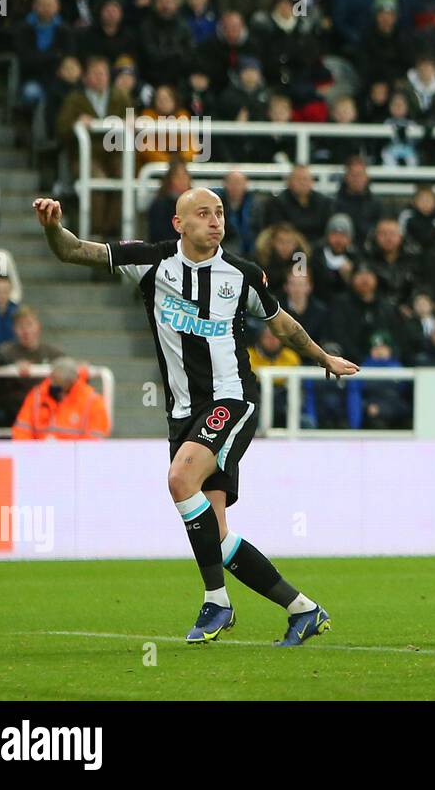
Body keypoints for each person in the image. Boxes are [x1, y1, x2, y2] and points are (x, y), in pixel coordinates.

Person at [32, 191, 358, 645]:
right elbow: (73, 250)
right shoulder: (151, 261)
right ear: (179, 223)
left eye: (220, 213)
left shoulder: (241, 275)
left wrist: (323, 357)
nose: (214, 221)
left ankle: (217, 603)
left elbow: (281, 323)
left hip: (232, 400)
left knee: (180, 479)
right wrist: (51, 227)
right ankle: (302, 609)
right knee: (217, 536)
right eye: (203, 214)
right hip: (183, 414)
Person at [11, 357, 111, 440]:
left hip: (75, 459)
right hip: (38, 456)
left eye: (61, 384)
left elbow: (95, 439)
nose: (56, 387)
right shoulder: (37, 396)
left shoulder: (92, 401)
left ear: (72, 382)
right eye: (54, 380)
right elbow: (22, 430)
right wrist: (30, 454)